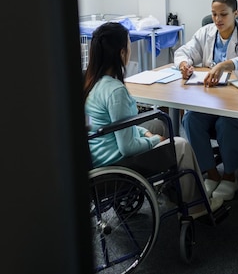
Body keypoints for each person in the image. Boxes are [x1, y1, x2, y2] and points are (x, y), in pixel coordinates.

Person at [84, 22, 223, 218]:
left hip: (99, 153)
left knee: (157, 124)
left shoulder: (94, 82)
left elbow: (118, 125)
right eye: (130, 44)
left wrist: (145, 132)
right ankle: (196, 206)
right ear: (122, 52)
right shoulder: (116, 91)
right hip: (116, 162)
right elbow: (127, 148)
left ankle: (169, 190)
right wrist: (153, 140)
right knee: (180, 144)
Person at [174, 0, 238, 201]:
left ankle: (230, 175)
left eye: (223, 14)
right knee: (191, 120)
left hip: (236, 103)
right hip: (208, 99)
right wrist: (184, 64)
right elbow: (183, 51)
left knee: (226, 122)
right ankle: (212, 173)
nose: (217, 20)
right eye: (214, 14)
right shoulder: (206, 32)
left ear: (235, 13)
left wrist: (225, 65)